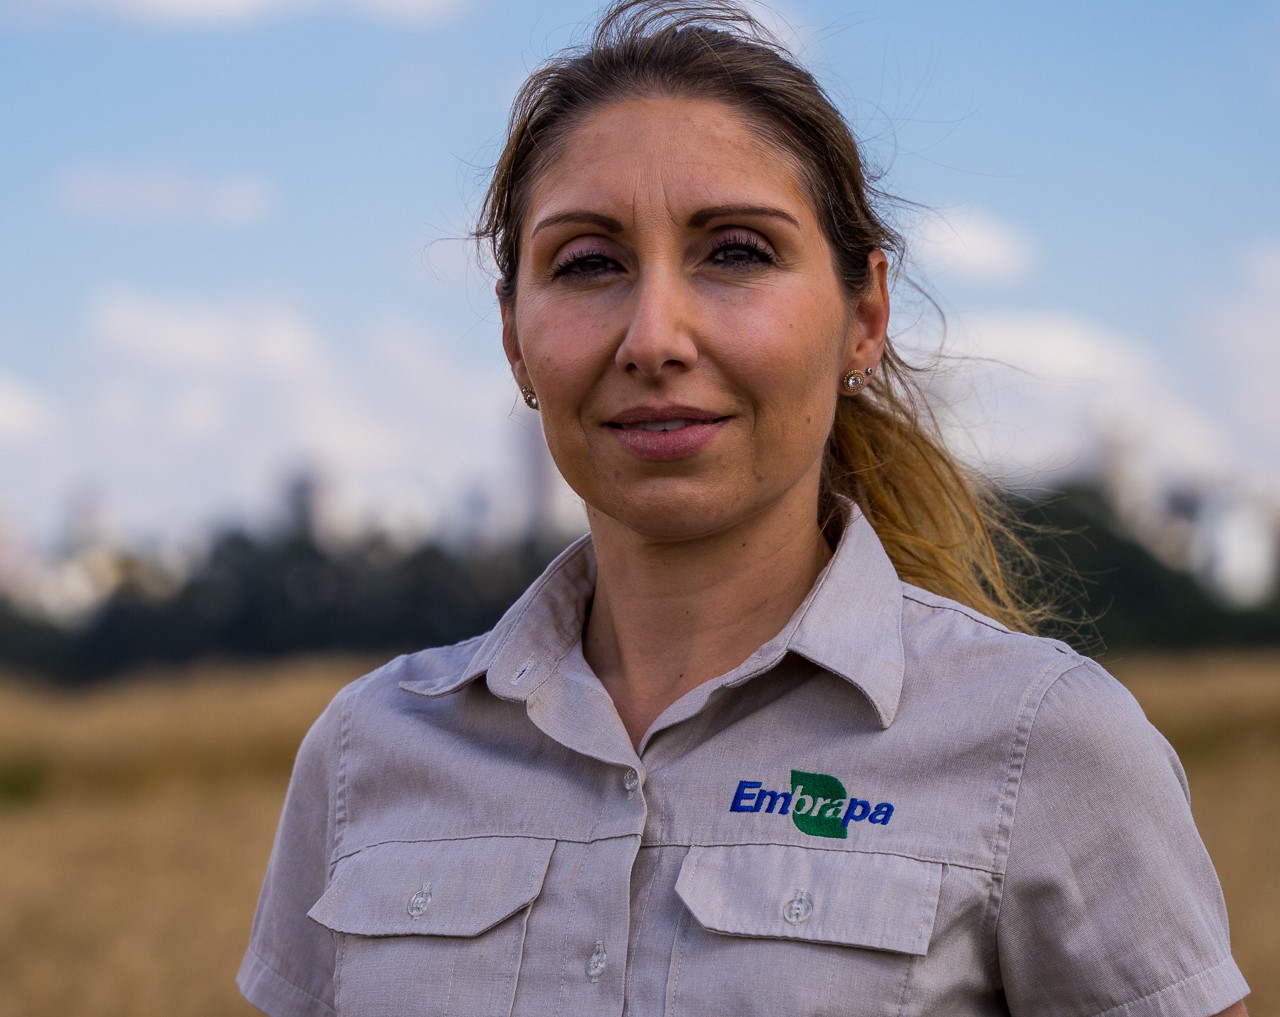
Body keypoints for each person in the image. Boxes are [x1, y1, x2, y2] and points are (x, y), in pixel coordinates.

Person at [238, 2, 1250, 1014]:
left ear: (864, 317)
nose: (652, 337)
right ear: (514, 340)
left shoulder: (1042, 746)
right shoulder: (365, 753)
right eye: (587, 263)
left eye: (734, 252)